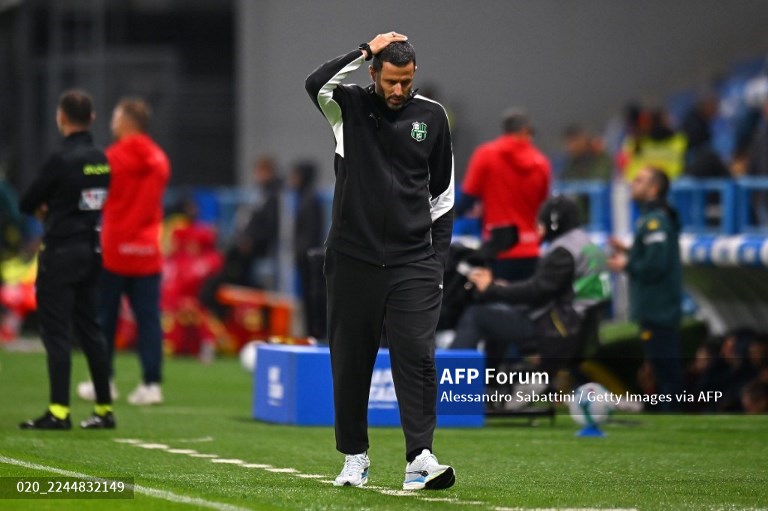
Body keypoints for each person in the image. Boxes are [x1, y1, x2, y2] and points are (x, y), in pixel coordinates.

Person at [306, 32, 455, 490]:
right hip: (352, 259)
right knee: (351, 362)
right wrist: (363, 49)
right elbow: (315, 84)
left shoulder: (432, 116)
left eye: (406, 82)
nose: (399, 91)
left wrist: (436, 261)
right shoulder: (346, 107)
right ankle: (355, 458)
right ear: (373, 74)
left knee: (417, 356)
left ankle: (419, 459)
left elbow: (443, 195)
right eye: (391, 81)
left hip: (414, 262)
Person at [18, 89, 114, 429]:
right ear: (92, 119)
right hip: (92, 250)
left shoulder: (60, 159)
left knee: (57, 332)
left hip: (60, 252)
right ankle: (104, 409)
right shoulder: (102, 158)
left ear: (61, 118)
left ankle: (59, 411)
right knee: (91, 329)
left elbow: (27, 202)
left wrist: (49, 209)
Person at [78, 97, 170, 406]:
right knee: (149, 321)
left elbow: (93, 197)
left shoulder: (111, 158)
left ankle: (103, 382)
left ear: (129, 121)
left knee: (105, 319)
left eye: (116, 117)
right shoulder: (159, 159)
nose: (112, 123)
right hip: (147, 251)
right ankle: (152, 384)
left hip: (115, 249)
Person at [451, 196, 611, 373]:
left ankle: (452, 386)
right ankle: (493, 381)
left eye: (541, 223)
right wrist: (503, 289)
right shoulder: (584, 244)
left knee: (476, 315)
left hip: (557, 329)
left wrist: (492, 289)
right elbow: (549, 287)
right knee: (499, 311)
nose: (538, 228)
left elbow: (536, 292)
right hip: (576, 327)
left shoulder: (563, 251)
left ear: (554, 222)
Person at [607, 166, 684, 410]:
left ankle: (674, 414)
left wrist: (627, 264)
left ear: (654, 189)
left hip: (657, 306)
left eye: (639, 180)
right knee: (660, 366)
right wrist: (630, 251)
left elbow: (656, 264)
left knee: (666, 367)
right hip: (656, 306)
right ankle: (669, 412)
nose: (632, 183)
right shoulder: (652, 217)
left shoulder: (654, 221)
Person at [456, 108, 551, 281]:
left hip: (498, 251)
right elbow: (544, 208)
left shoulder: (485, 155)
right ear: (524, 131)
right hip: (531, 250)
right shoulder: (541, 163)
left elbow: (467, 199)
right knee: (527, 305)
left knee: (497, 305)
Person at [199, 156, 282, 318]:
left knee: (237, 278)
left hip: (257, 251)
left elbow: (270, 225)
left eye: (260, 171)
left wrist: (252, 240)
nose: (257, 175)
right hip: (244, 248)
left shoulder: (274, 196)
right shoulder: (259, 194)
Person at [288, 160, 325, 339]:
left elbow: (310, 233)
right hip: (305, 258)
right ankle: (312, 332)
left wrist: (302, 254)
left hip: (309, 260)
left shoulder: (310, 200)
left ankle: (315, 333)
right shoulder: (304, 198)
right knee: (308, 296)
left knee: (313, 297)